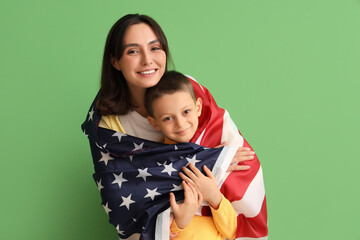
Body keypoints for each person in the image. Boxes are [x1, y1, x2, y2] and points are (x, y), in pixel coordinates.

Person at [81, 13, 268, 240]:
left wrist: (219, 162)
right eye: (133, 51)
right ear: (114, 60)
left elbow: (236, 158)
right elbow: (117, 192)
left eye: (154, 48)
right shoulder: (107, 123)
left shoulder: (186, 90)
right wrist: (212, 161)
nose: (147, 60)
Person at [145, 70, 250, 239]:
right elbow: (151, 230)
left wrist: (214, 195)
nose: (180, 124)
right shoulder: (152, 166)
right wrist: (180, 221)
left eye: (186, 112)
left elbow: (233, 233)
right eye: (167, 118)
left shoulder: (214, 158)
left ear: (198, 107)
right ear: (154, 123)